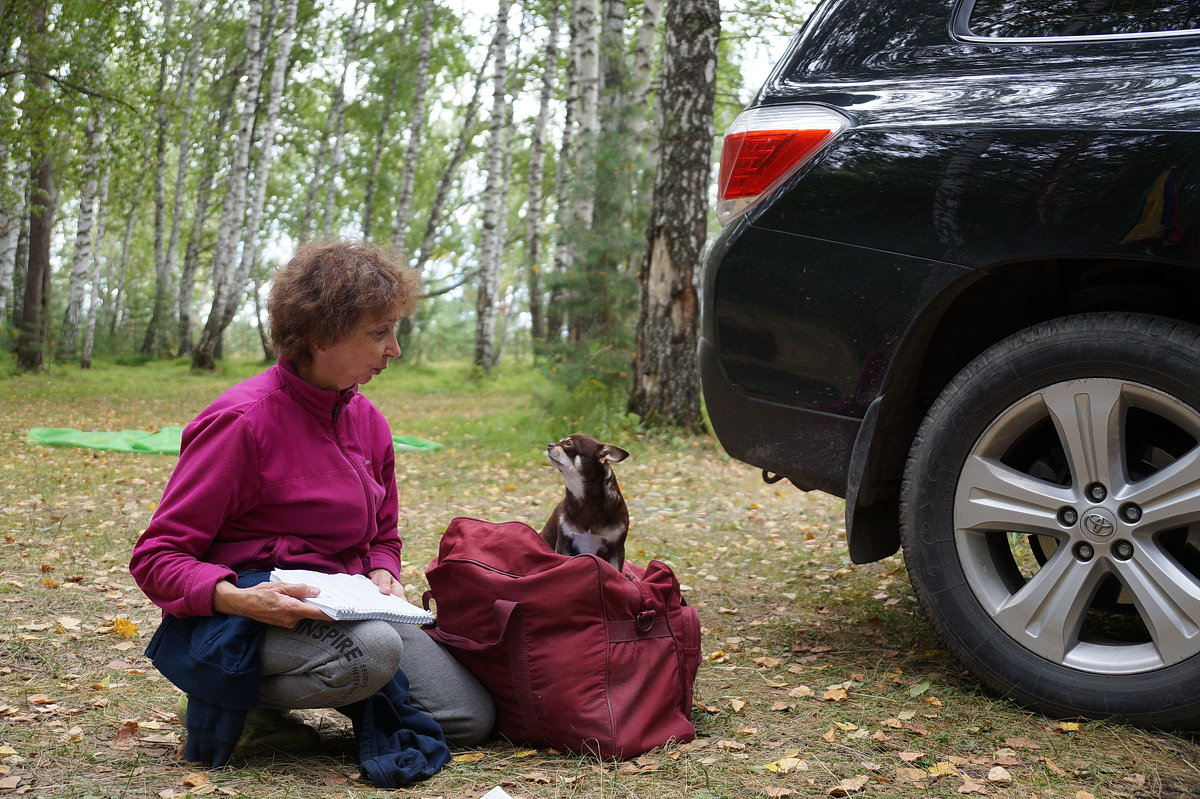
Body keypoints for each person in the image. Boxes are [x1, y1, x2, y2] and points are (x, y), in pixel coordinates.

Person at [129, 240, 494, 782]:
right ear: (321, 336)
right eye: (379, 332)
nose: (394, 349)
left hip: (347, 604)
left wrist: (381, 571)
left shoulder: (367, 421)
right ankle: (236, 702)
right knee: (373, 653)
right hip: (245, 613)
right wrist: (240, 599)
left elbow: (383, 534)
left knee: (468, 719)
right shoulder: (243, 422)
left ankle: (304, 684)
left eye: (395, 329)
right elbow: (157, 556)